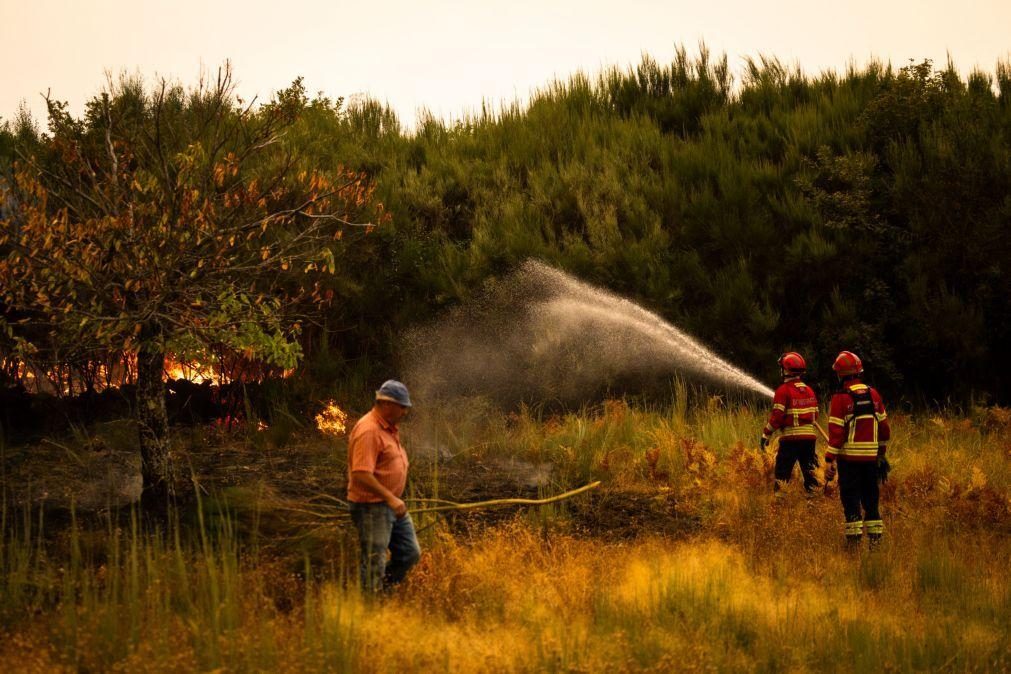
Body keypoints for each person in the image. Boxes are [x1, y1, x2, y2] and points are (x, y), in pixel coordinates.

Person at [347, 379, 421, 593]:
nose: (405, 412)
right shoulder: (368, 430)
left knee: (410, 553)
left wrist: (393, 499)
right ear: (387, 404)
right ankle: (371, 604)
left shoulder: (387, 428)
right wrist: (390, 498)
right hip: (372, 508)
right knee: (374, 560)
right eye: (402, 407)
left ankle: (383, 591)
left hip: (391, 505)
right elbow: (360, 473)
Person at [824, 351, 891, 549]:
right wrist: (880, 452)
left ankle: (853, 545)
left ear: (840, 374)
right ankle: (875, 542)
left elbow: (836, 434)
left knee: (851, 499)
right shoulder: (874, 394)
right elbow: (885, 428)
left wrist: (829, 459)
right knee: (871, 499)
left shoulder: (840, 398)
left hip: (849, 461)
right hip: (871, 460)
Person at [761, 352, 820, 495]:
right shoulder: (809, 390)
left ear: (786, 370)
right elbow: (816, 415)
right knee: (810, 473)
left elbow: (777, 417)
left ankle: (779, 503)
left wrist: (766, 434)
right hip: (809, 439)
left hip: (791, 440)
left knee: (782, 473)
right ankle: (813, 503)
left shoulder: (783, 391)